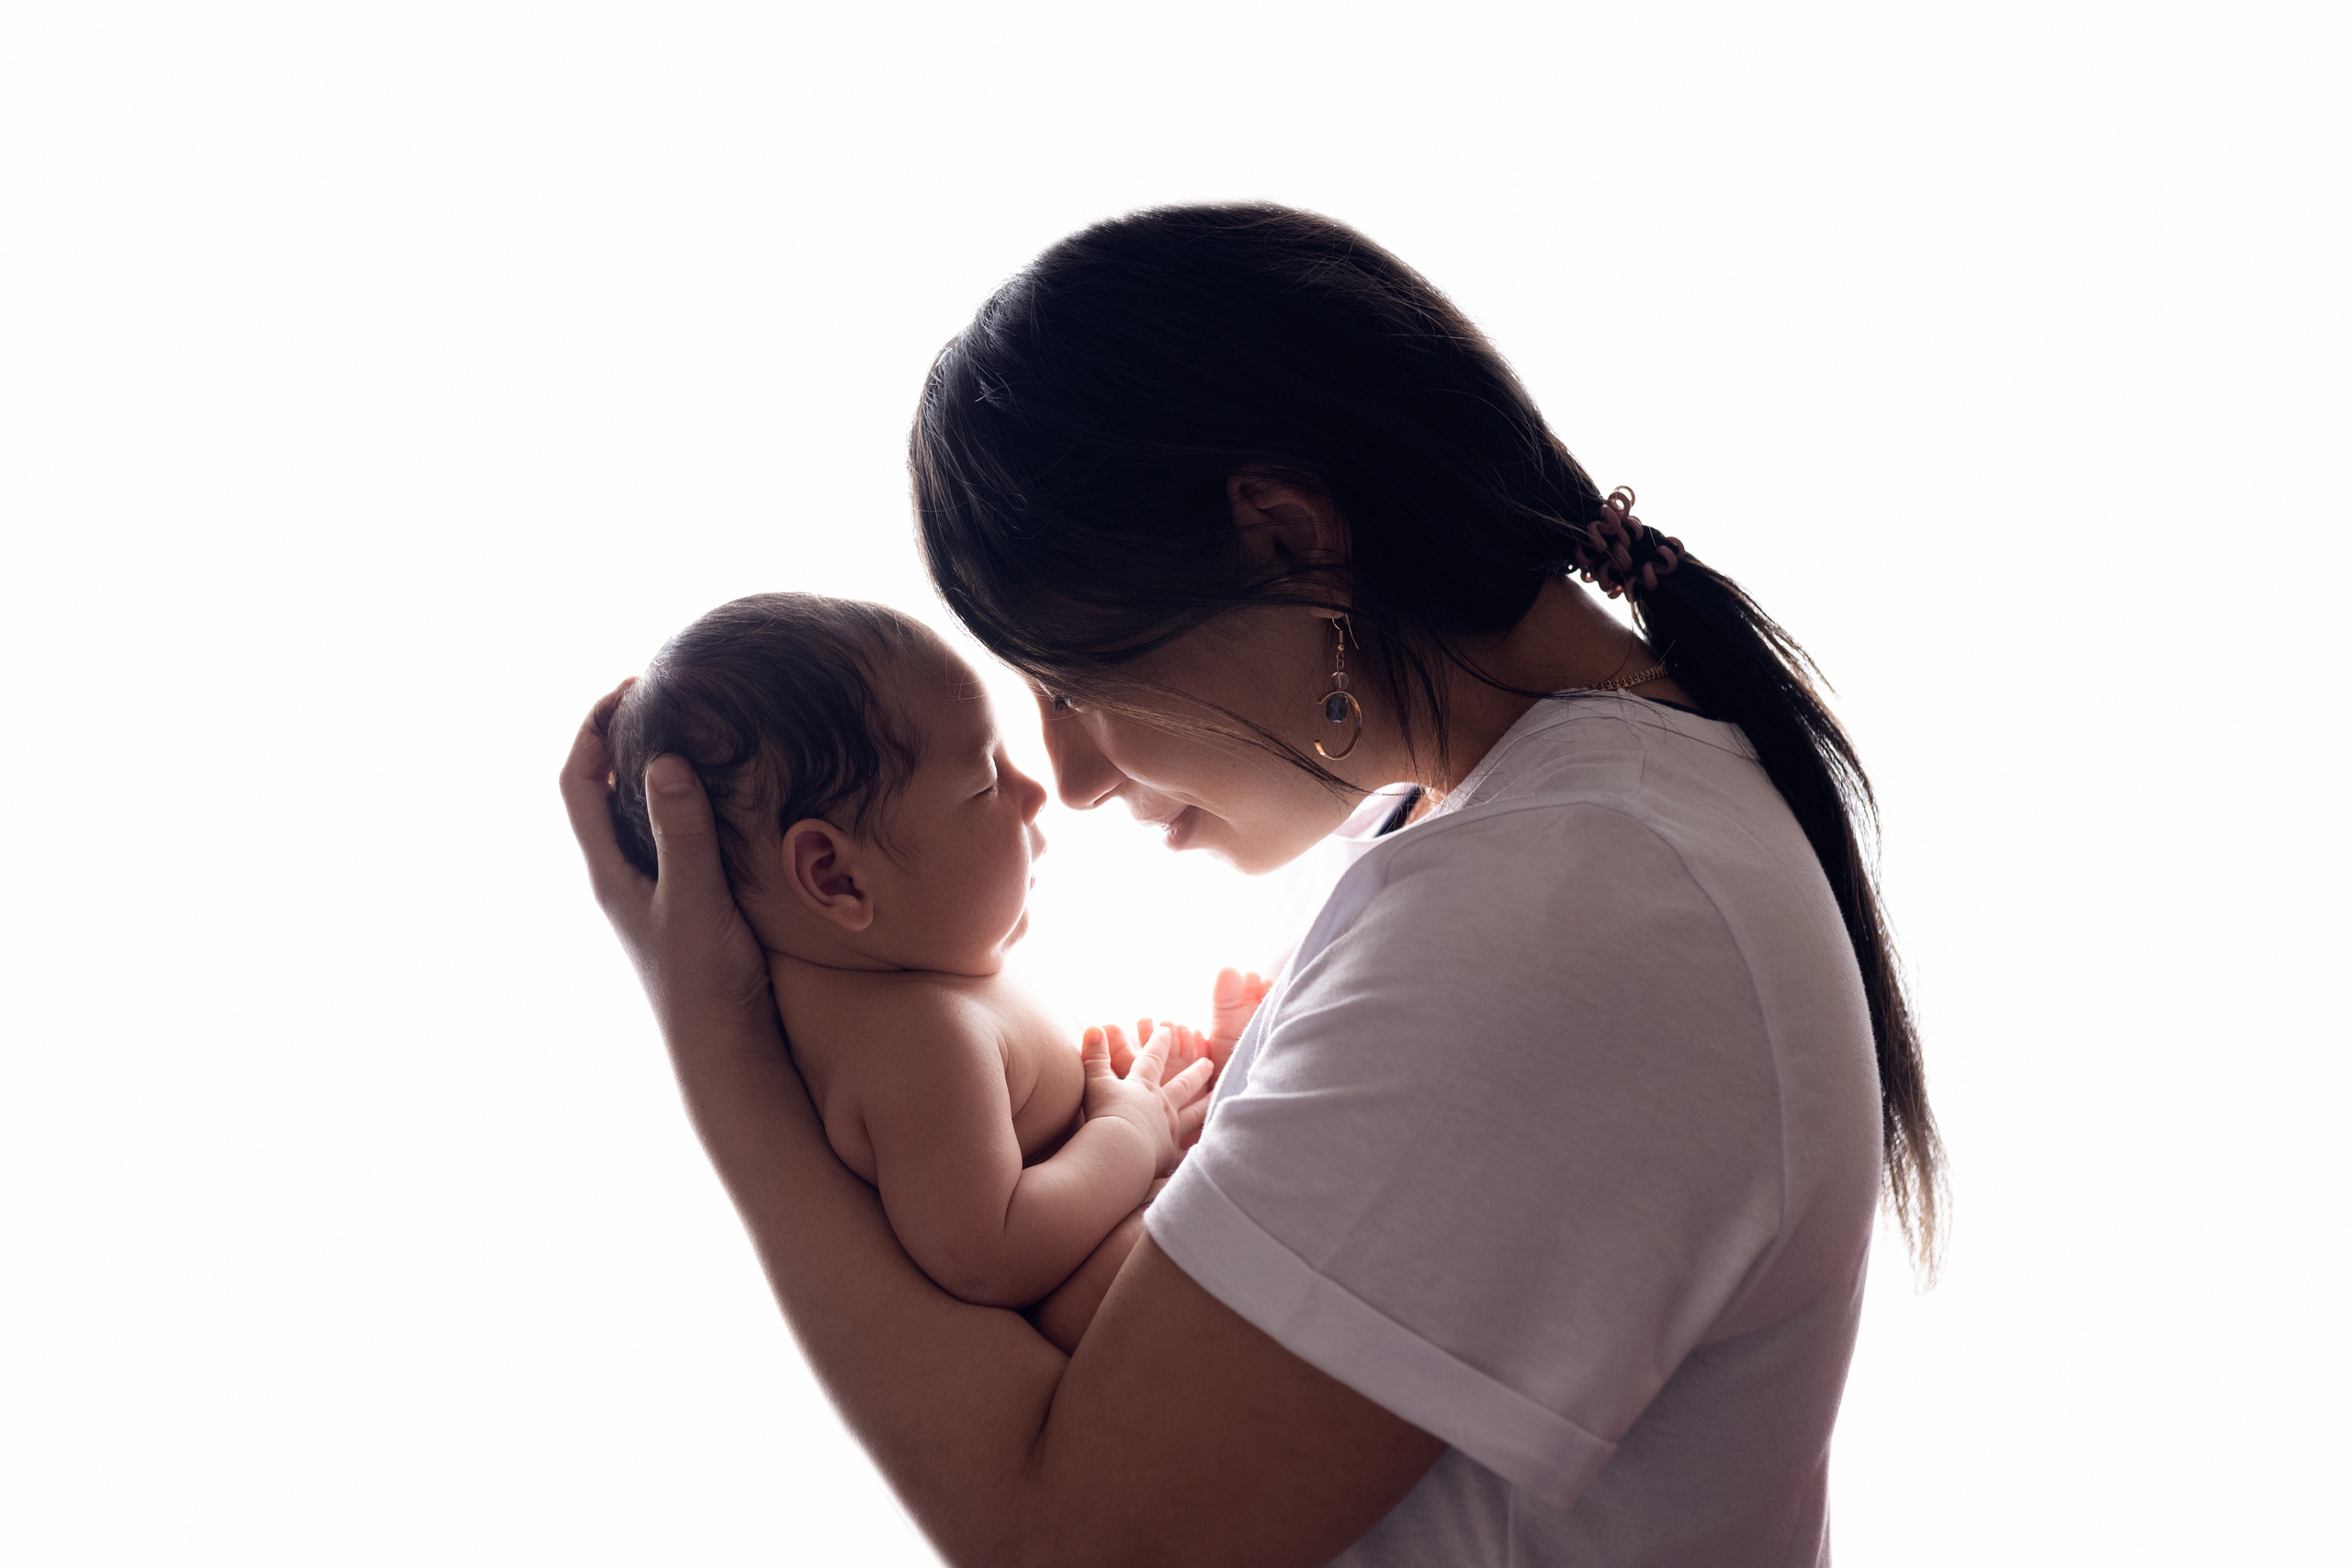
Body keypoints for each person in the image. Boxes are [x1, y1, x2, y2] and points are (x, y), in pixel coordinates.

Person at [564, 203, 1944, 1566]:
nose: (1076, 776)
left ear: (1286, 538)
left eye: (1077, 682)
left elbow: (1072, 1541)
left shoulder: (1573, 900)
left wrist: (726, 1048)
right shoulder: (1523, 831)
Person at [599, 591, 1261, 1352]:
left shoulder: (910, 989)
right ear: (837, 879)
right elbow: (988, 1252)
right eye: (985, 780)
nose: (1036, 791)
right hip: (1080, 1301)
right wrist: (1125, 1131)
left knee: (1209, 1139)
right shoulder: (914, 1040)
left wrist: (1117, 1094)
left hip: (1100, 1204)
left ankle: (1229, 1079)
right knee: (1212, 1204)